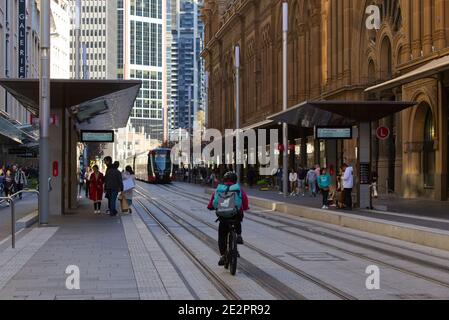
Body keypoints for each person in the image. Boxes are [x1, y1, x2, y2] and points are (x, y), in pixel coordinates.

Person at [207, 172, 249, 266]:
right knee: (238, 217)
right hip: (235, 215)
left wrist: (210, 207)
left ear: (224, 180)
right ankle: (238, 235)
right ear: (235, 180)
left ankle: (222, 255)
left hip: (223, 217)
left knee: (222, 235)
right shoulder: (238, 189)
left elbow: (212, 203)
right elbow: (245, 202)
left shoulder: (219, 189)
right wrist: (245, 208)